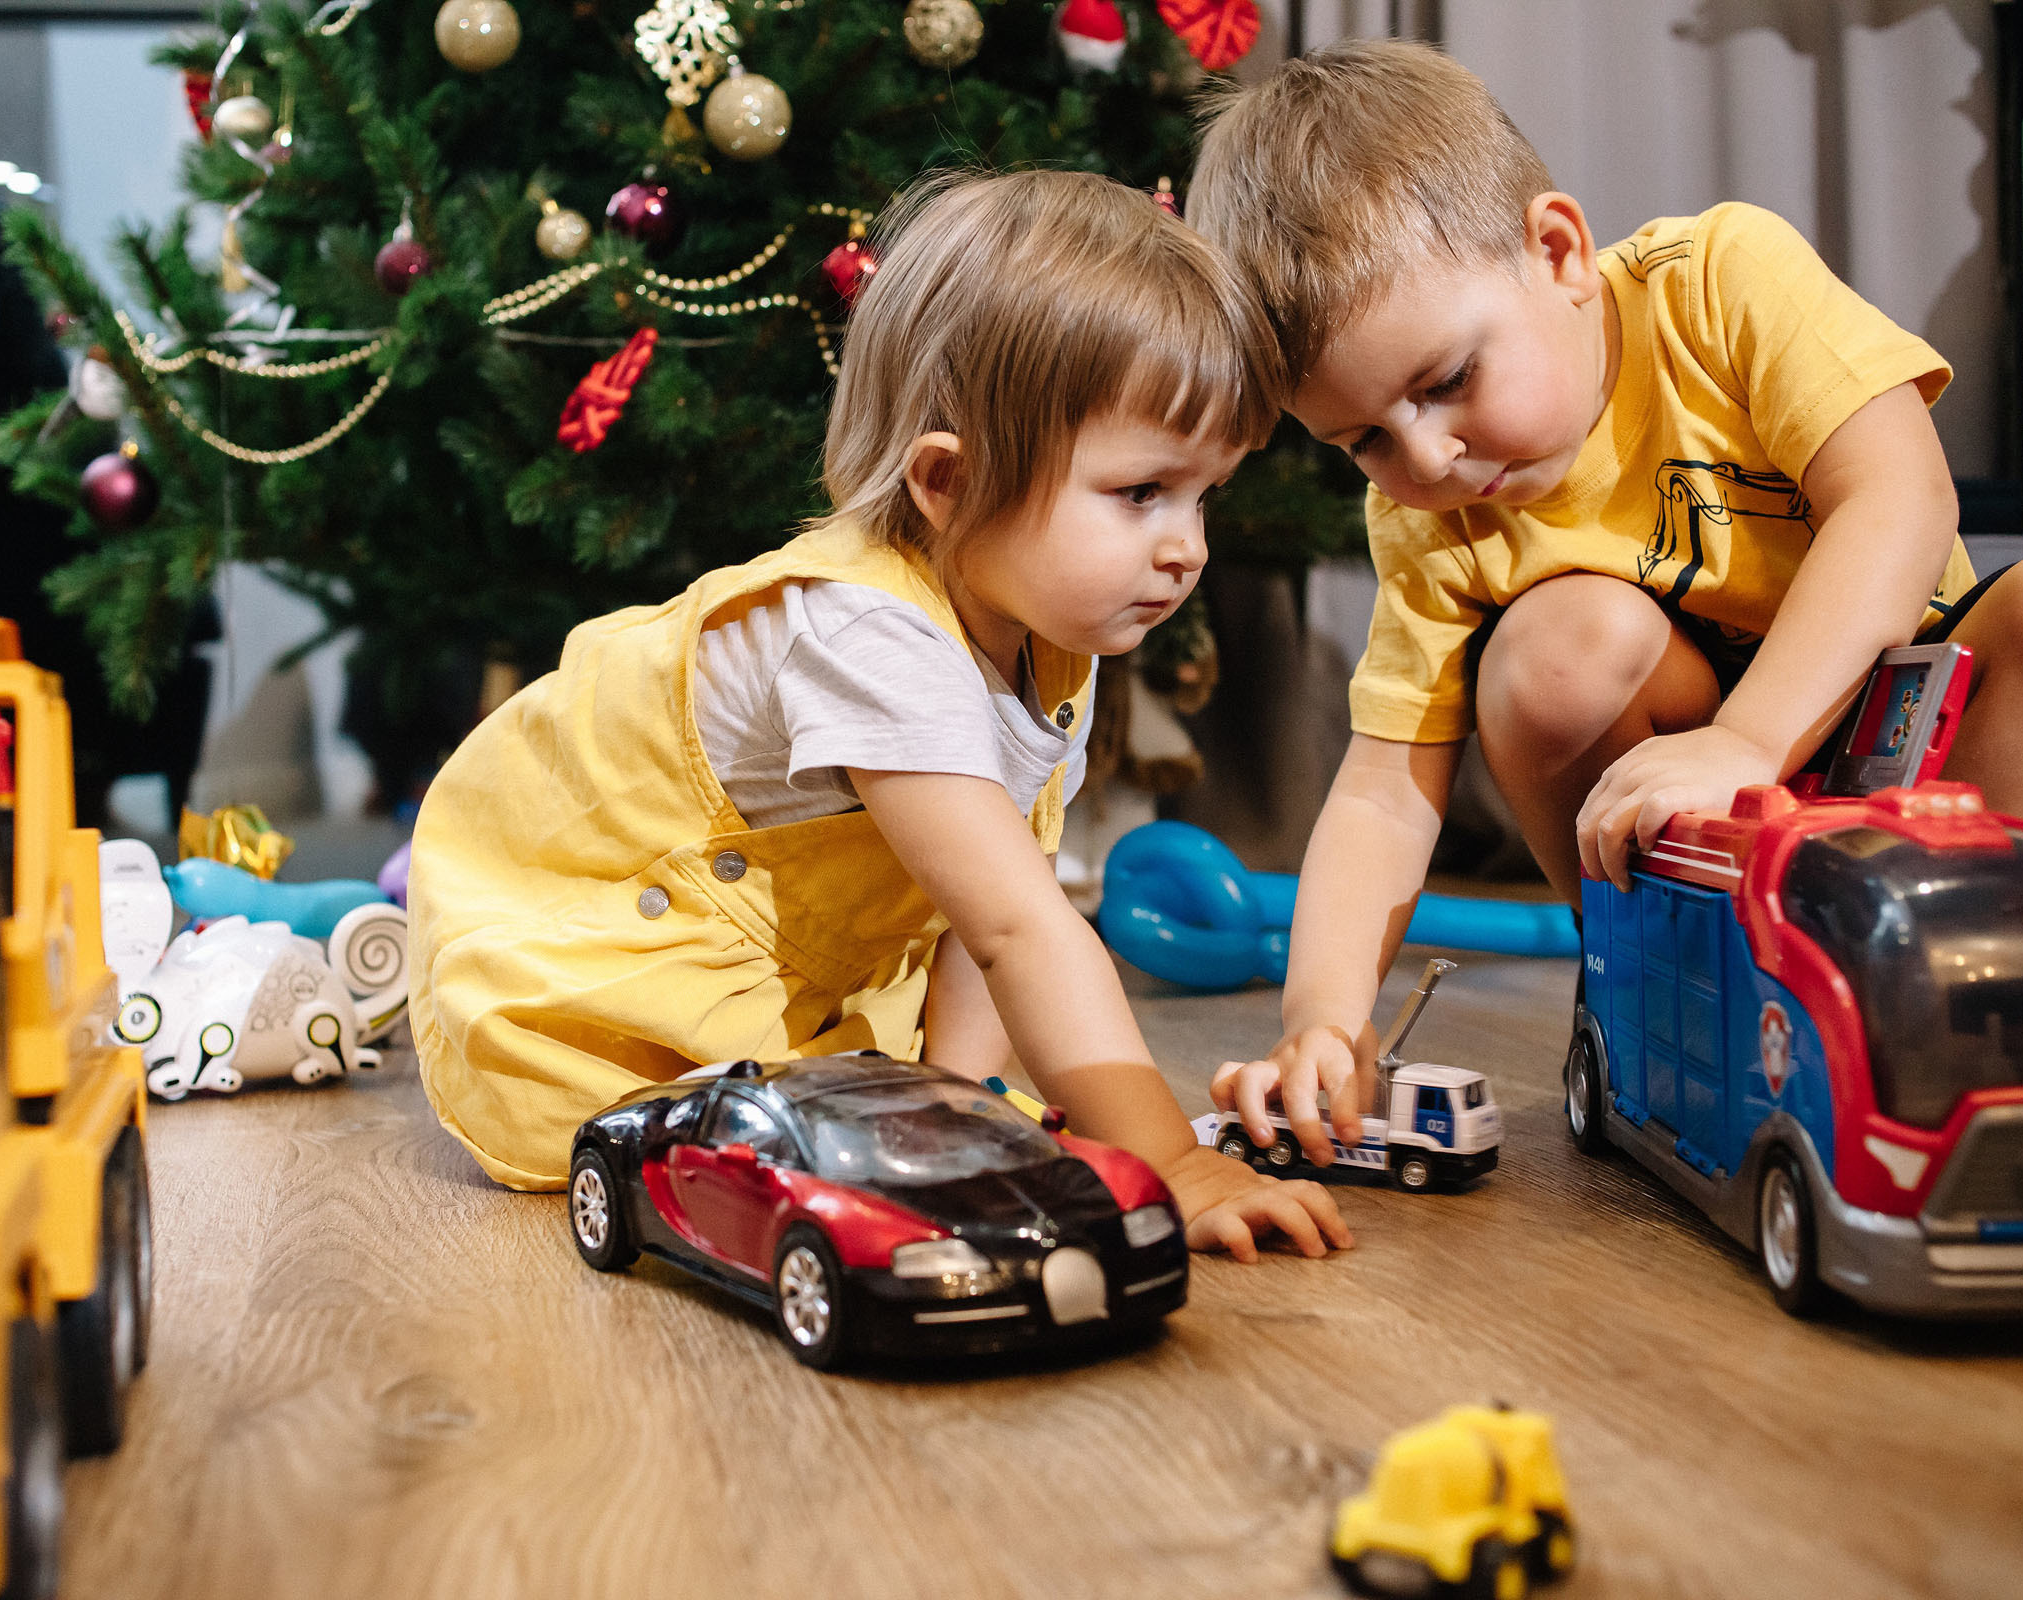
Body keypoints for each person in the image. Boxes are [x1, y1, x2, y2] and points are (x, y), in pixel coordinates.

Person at [1185, 40, 2023, 1162]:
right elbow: (1385, 790)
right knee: (1558, 650)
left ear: (1558, 250)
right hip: (1686, 838)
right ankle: (1649, 990)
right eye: (1362, 441)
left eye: (1447, 382)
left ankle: (1964, 986)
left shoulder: (1720, 281)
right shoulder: (1427, 511)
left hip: (1903, 739)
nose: (1429, 456)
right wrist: (1322, 1023)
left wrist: (1748, 737)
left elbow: (1902, 497)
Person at [408, 169, 1352, 1260]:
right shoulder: (871, 637)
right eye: (1141, 493)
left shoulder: (1049, 636)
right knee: (715, 1153)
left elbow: (984, 916)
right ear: (946, 483)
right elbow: (1020, 929)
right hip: (593, 952)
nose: (1186, 545)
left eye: (1205, 495)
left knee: (863, 1109)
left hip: (784, 961)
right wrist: (1167, 1161)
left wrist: (959, 1104)